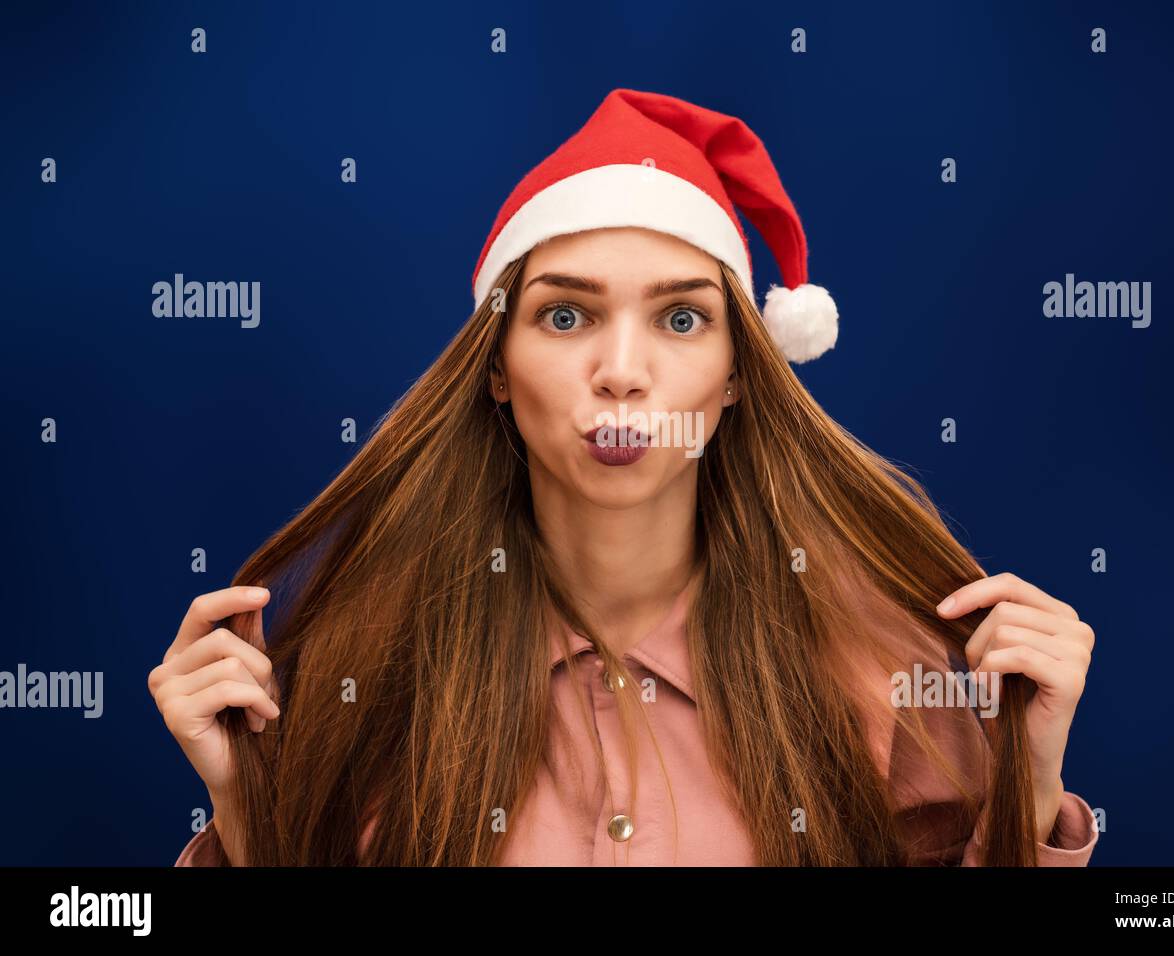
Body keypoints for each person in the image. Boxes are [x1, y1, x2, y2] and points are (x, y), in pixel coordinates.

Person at [152, 88, 1099, 866]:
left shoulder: (888, 674)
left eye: (681, 320)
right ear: (494, 367)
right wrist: (246, 814)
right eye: (565, 318)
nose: (621, 371)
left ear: (737, 374)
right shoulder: (359, 674)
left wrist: (1031, 786)